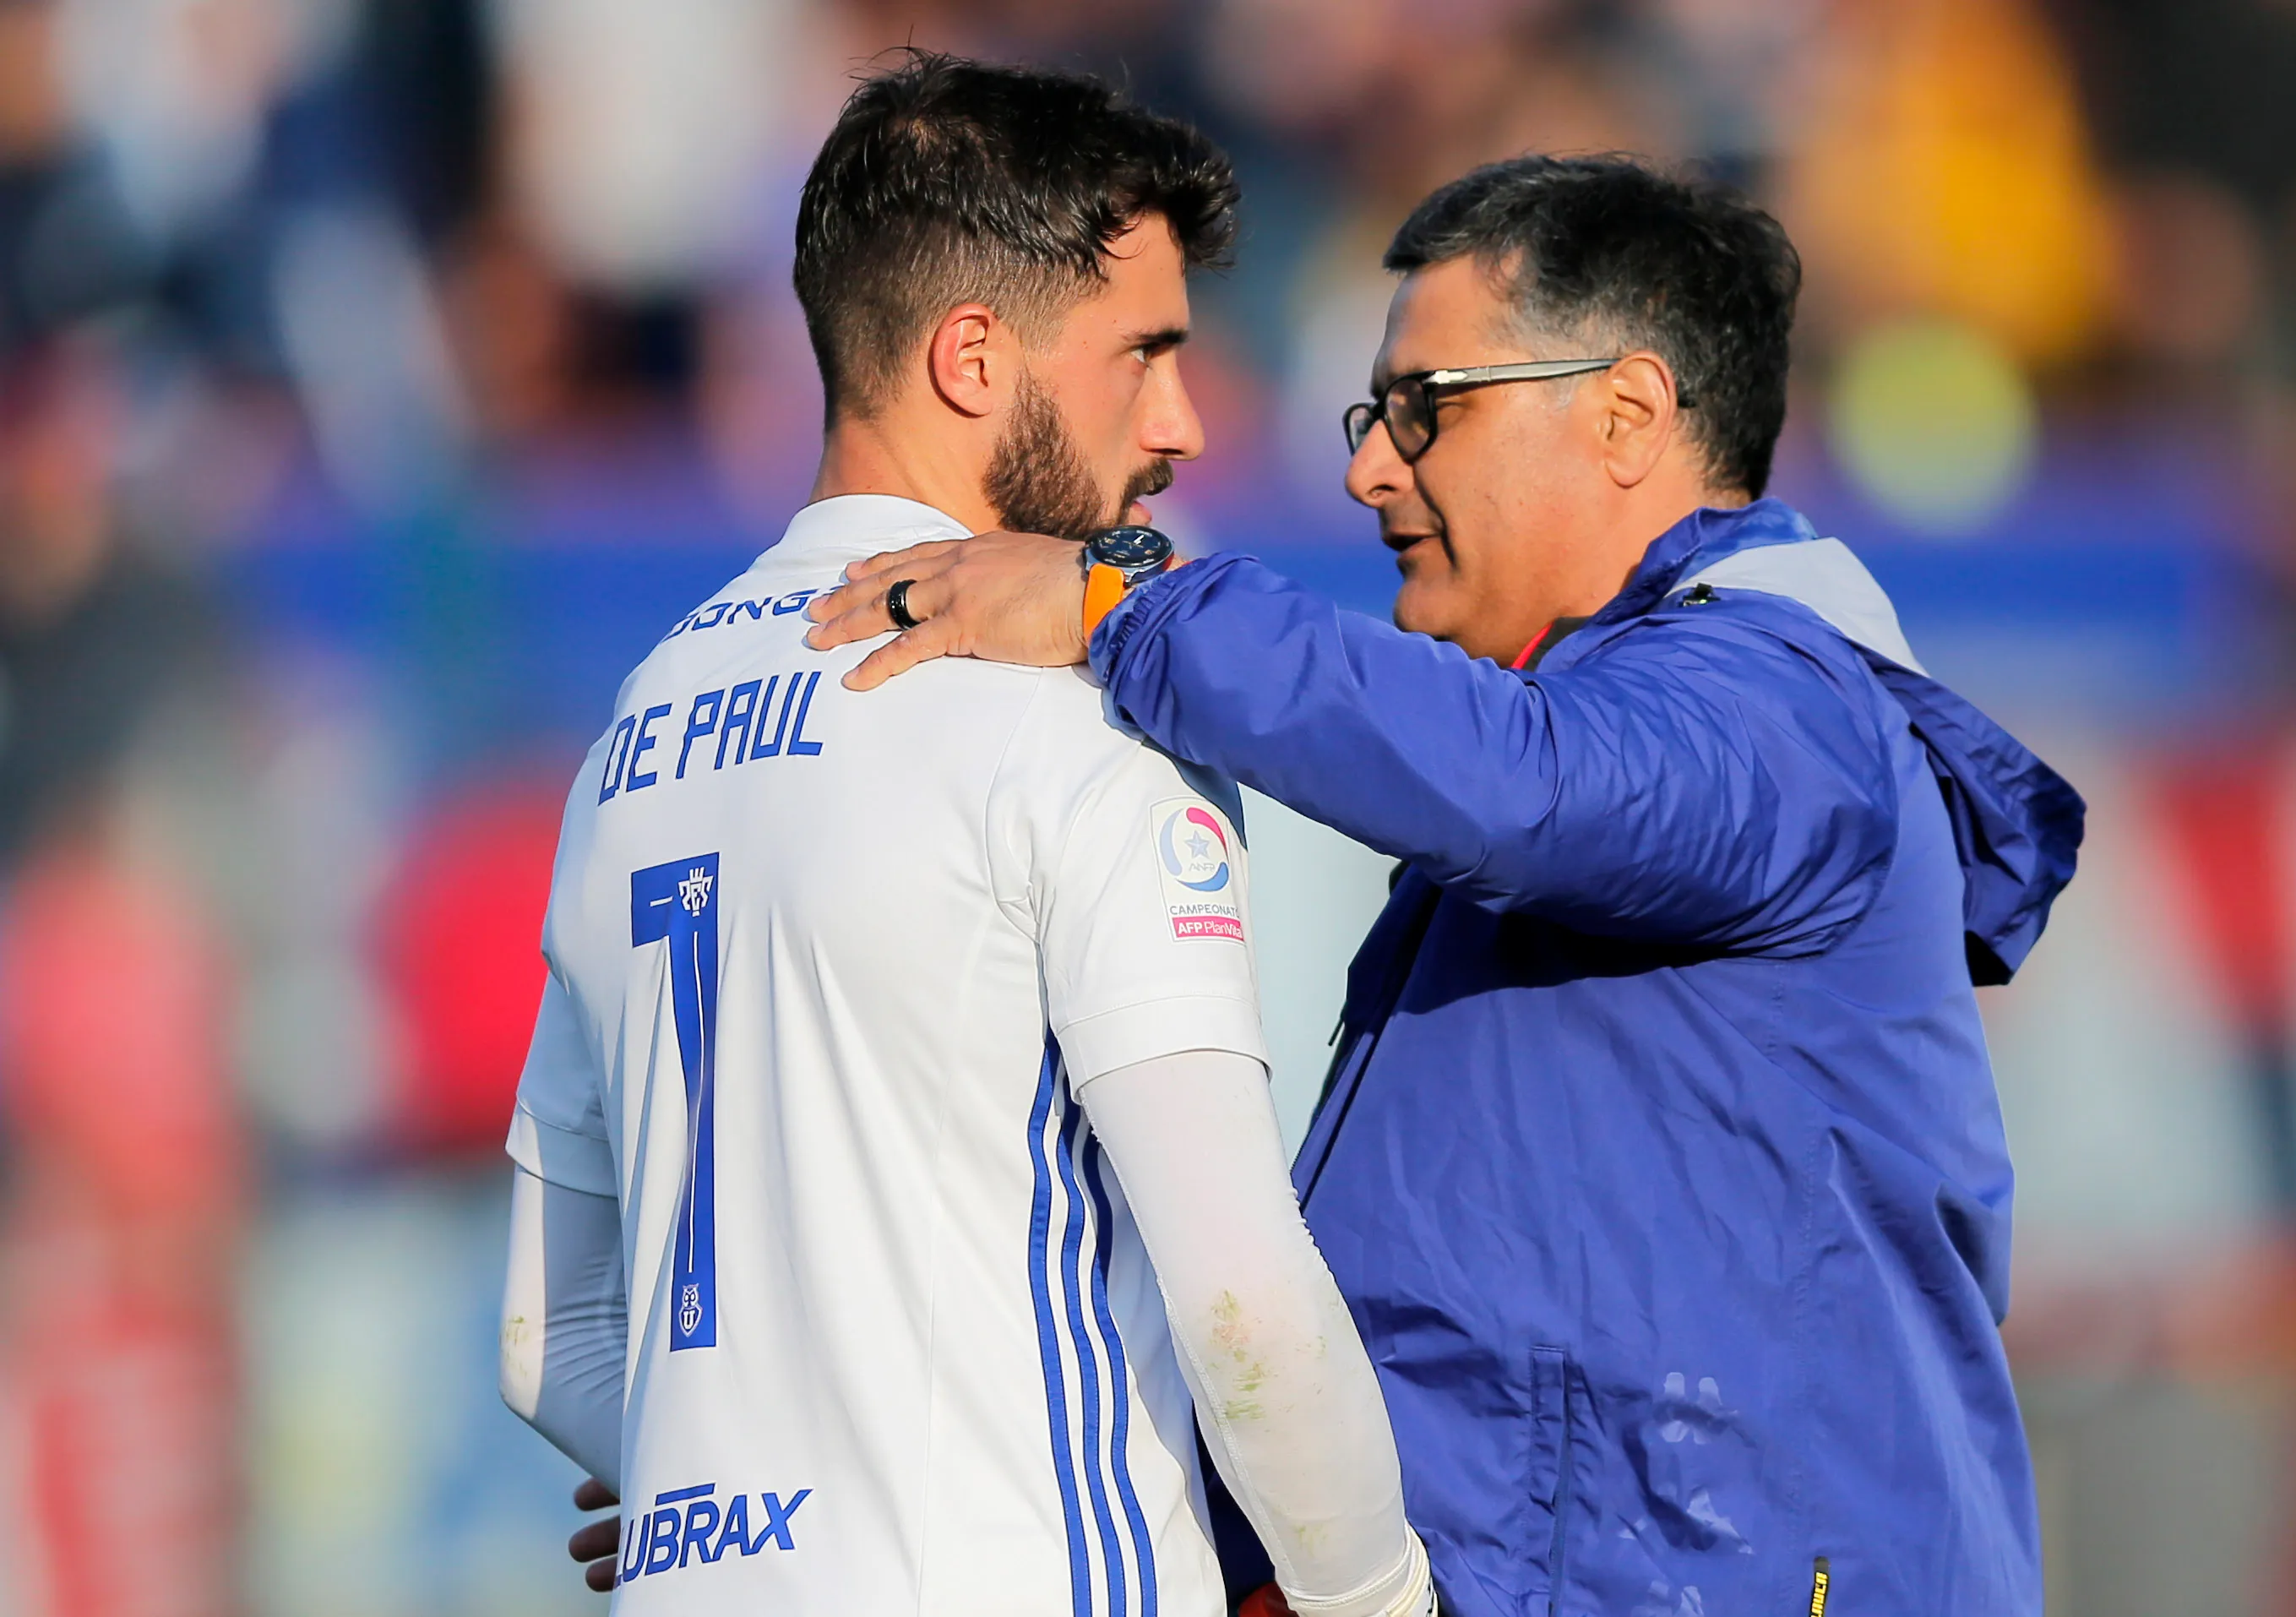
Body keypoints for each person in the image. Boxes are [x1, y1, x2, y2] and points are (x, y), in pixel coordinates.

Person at [808, 155, 2086, 1617]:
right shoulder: (1617, 717)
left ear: (1627, 414)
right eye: (1373, 416)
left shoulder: (1784, 698)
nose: (1369, 469)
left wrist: (1125, 603)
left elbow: (1536, 787)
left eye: (1426, 406)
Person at [499, 54, 1434, 1617]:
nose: (1184, 423)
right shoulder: (1080, 701)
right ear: (972, 357)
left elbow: (551, 1337)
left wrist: (731, 1496)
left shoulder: (635, 731)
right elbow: (1243, 1301)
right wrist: (1376, 1595)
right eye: (1143, 355)